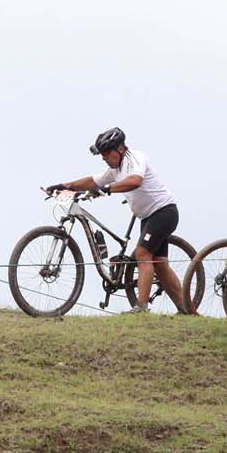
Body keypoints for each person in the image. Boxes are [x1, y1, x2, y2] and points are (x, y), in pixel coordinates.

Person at [45, 127, 192, 314]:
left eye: (107, 153)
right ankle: (186, 309)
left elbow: (135, 181)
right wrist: (66, 185)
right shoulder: (115, 170)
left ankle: (141, 308)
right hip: (147, 217)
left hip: (163, 212)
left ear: (120, 149)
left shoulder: (136, 158)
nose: (104, 158)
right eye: (102, 155)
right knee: (161, 265)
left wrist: (108, 189)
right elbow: (92, 181)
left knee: (142, 254)